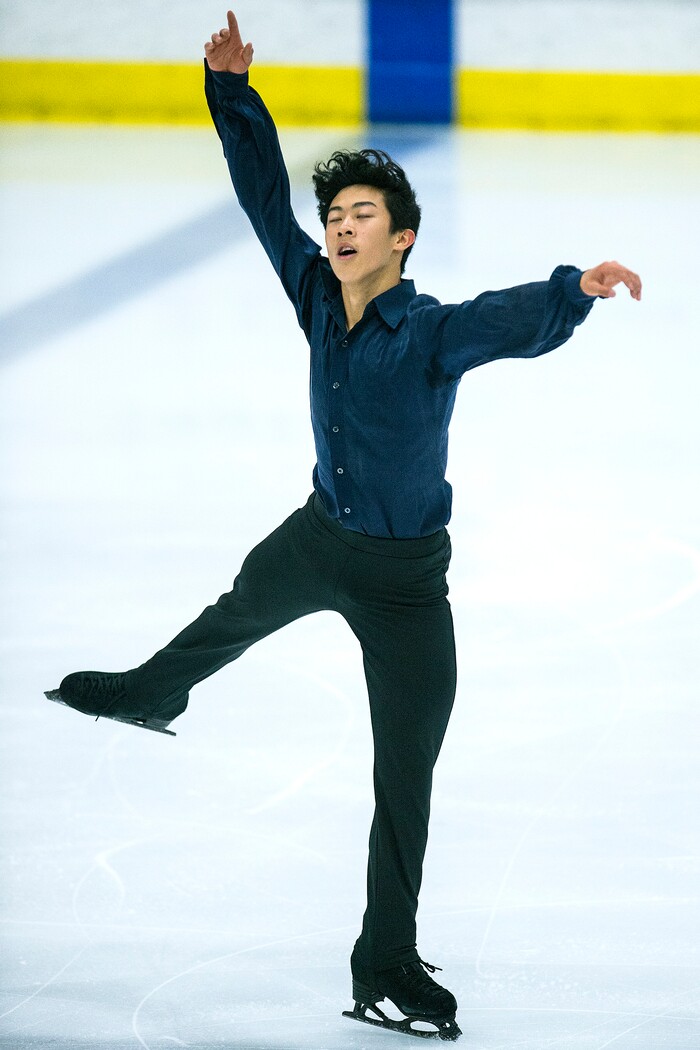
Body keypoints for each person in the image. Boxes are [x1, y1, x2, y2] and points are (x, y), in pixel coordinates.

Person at [45, 9, 642, 1042]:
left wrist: (572, 292)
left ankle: (386, 959)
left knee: (402, 776)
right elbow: (259, 199)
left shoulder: (433, 331)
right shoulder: (317, 296)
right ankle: (151, 692)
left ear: (402, 237)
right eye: (338, 217)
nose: (341, 227)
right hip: (320, 535)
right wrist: (231, 94)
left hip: (407, 583)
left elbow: (511, 317)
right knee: (233, 608)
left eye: (363, 214)